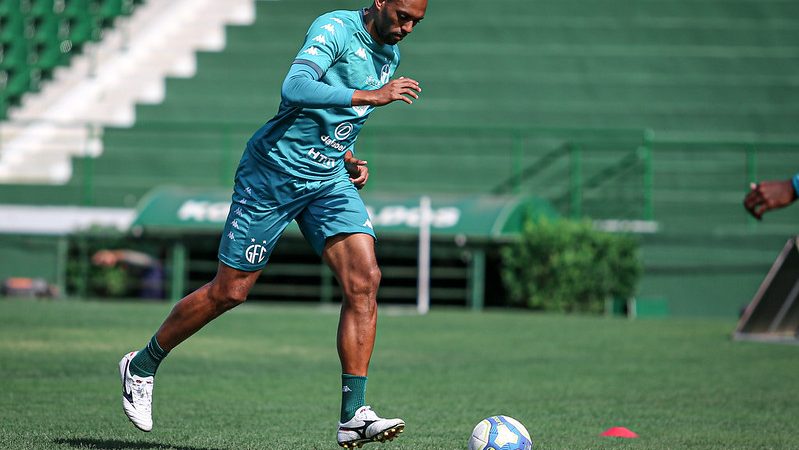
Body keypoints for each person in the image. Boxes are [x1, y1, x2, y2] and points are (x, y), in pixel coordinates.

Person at [118, 0, 427, 448]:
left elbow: (336, 119)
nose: (407, 27)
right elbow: (295, 87)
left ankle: (353, 415)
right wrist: (370, 96)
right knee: (230, 291)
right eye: (402, 15)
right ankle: (142, 365)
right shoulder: (335, 29)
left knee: (365, 280)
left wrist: (347, 156)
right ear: (380, 1)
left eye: (416, 21)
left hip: (326, 179)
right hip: (272, 175)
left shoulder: (389, 55)